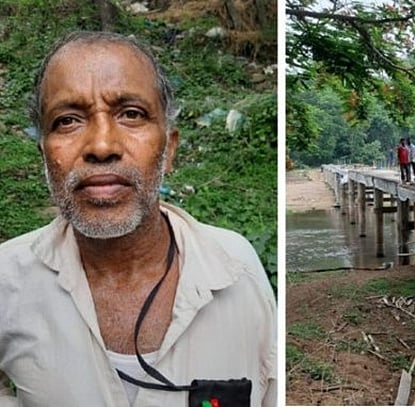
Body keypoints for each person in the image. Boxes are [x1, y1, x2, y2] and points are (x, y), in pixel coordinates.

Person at [0, 31, 277, 407]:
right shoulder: (8, 280)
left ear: (169, 149)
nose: (102, 146)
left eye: (131, 114)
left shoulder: (235, 268)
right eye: (67, 121)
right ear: (43, 155)